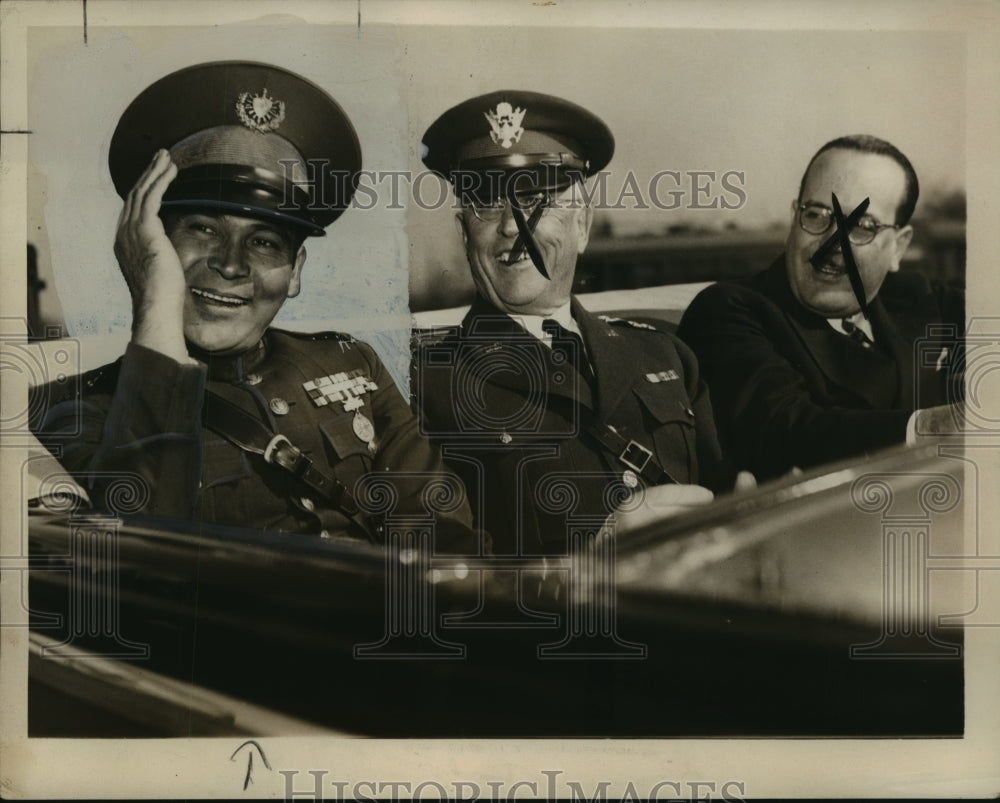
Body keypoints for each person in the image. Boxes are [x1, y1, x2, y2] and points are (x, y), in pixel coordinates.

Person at [32, 61, 478, 552]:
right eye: (202, 229)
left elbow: (446, 540)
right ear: (149, 246)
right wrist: (156, 303)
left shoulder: (352, 363)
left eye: (265, 242)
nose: (231, 265)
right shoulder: (76, 408)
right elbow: (139, 567)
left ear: (296, 271)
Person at [414, 90, 730, 554]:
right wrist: (591, 559)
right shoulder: (422, 388)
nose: (510, 225)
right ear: (464, 233)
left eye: (534, 198)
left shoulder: (665, 354)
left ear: (581, 224)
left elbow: (727, 496)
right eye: (486, 201)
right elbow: (439, 585)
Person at [677, 134, 965, 481]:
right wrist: (943, 424)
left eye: (862, 226)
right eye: (817, 214)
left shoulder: (917, 297)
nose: (832, 243)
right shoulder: (730, 311)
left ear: (898, 248)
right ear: (793, 218)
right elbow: (791, 431)